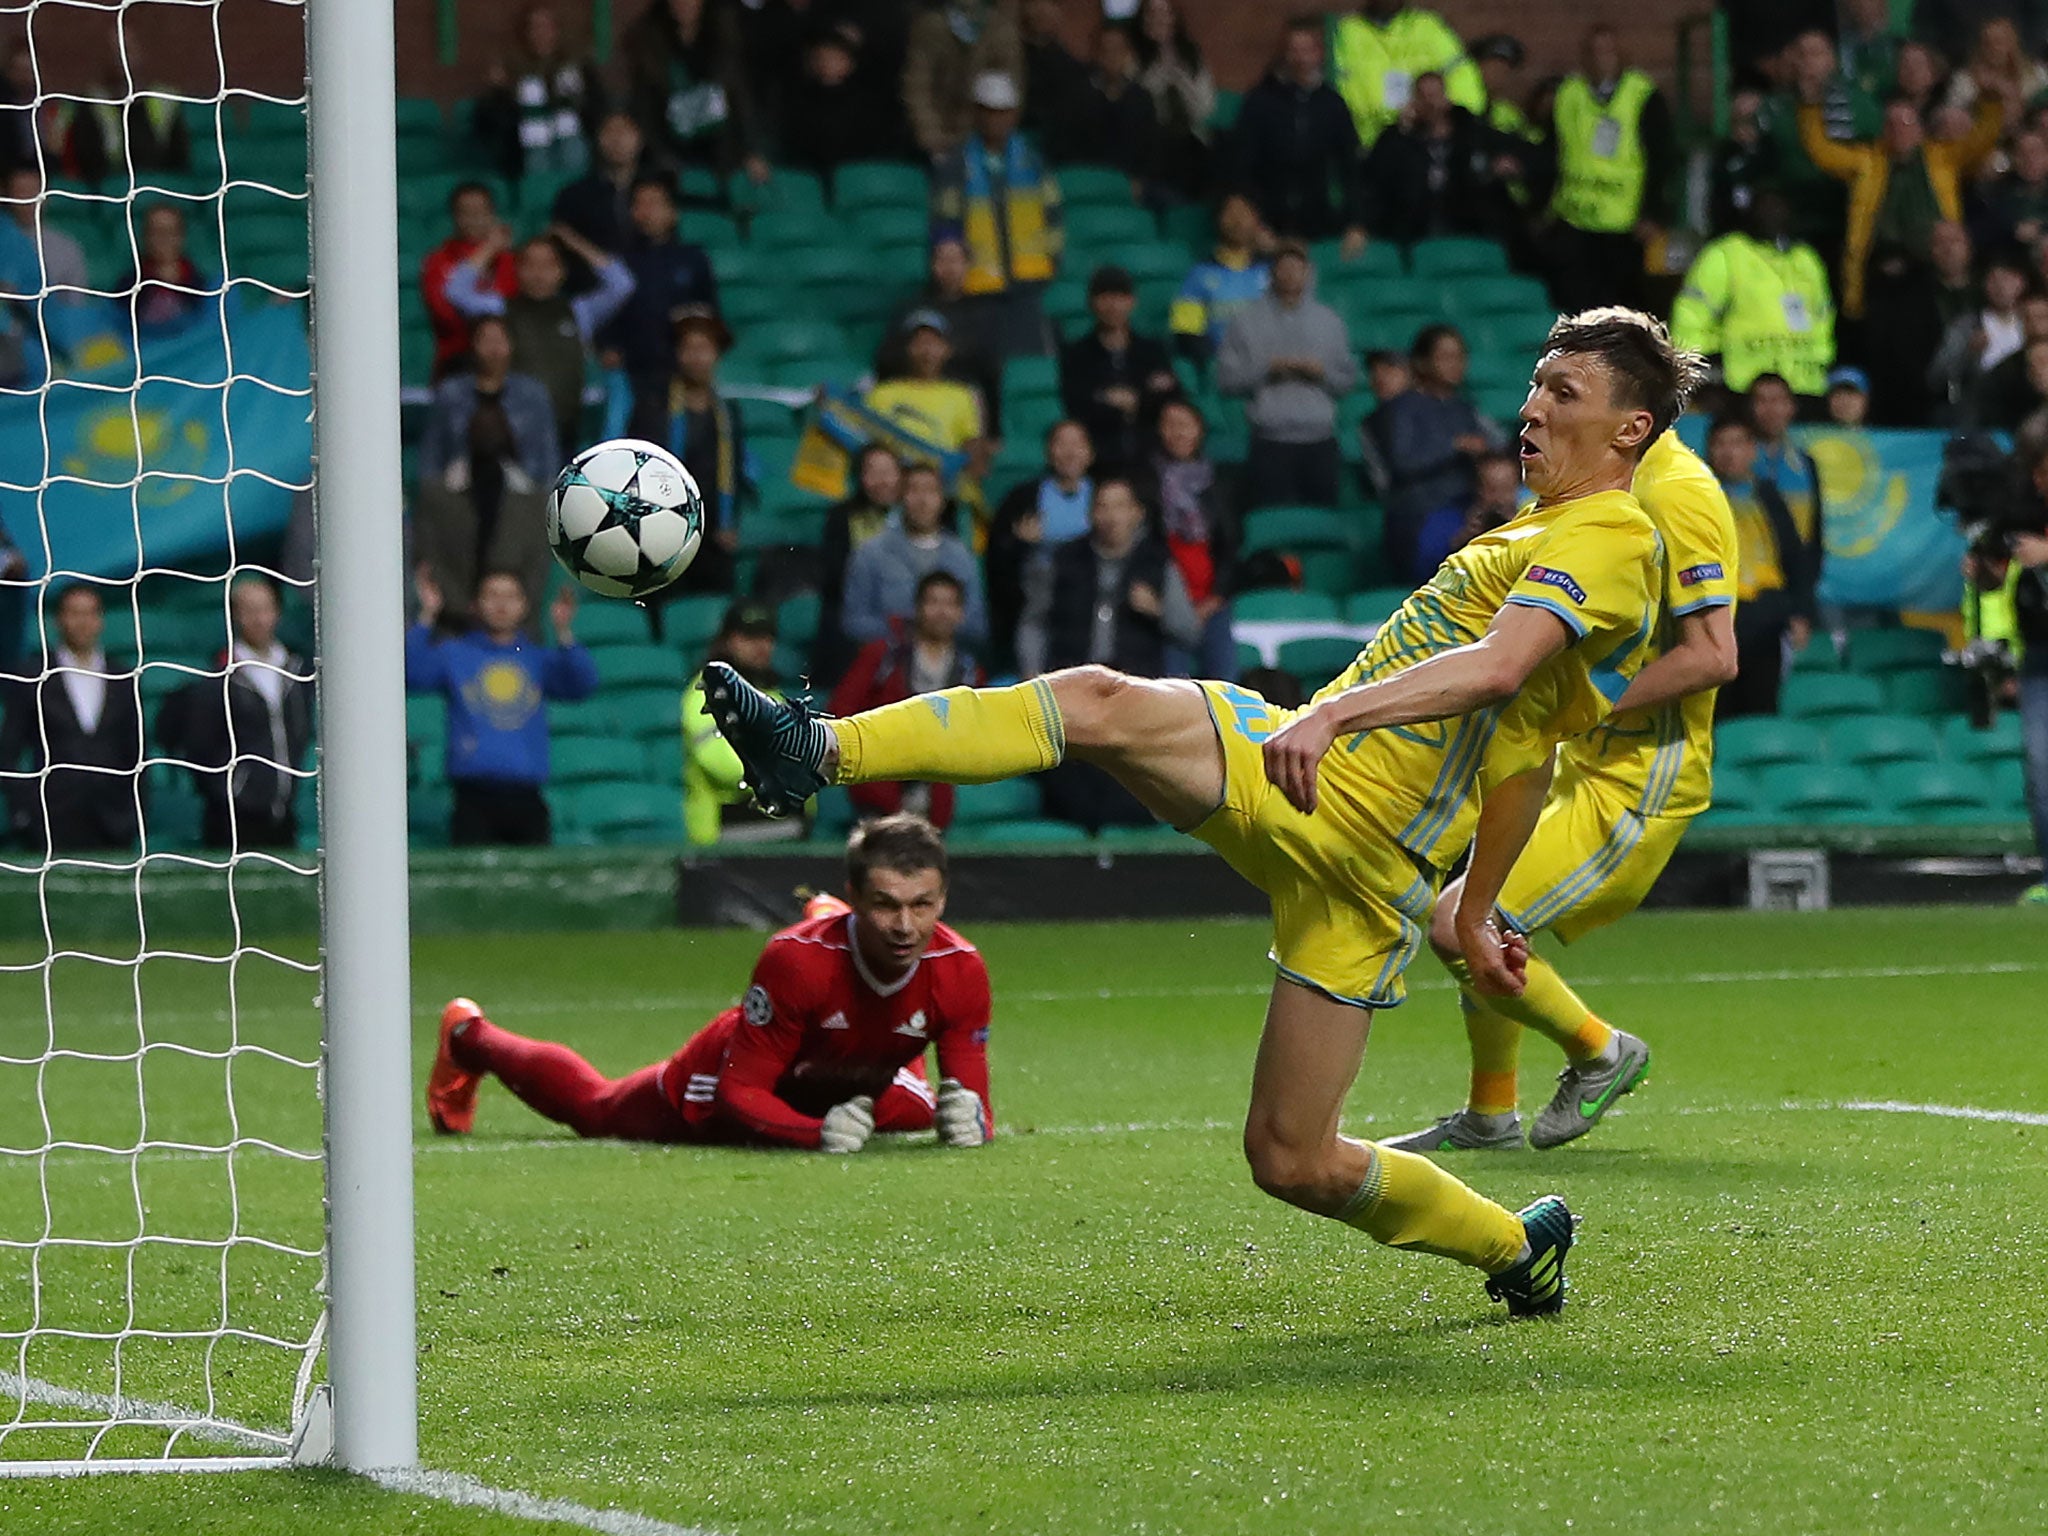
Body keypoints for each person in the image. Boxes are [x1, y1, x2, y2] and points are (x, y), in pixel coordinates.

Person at [702, 307, 1698, 1317]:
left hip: (1351, 827)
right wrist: (1476, 911)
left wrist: (1337, 714)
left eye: (1561, 393)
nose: (1528, 406)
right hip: (1323, 801)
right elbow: (1523, 754)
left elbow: (1498, 673)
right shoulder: (1536, 530)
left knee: (1289, 1155)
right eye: (1535, 382)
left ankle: (1513, 1246)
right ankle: (816, 748)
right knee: (1096, 702)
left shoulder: (1611, 532)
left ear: (1628, 430)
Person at [1386, 429, 1739, 1154]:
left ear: (1630, 415)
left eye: (1563, 389)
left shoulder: (1677, 491)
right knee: (1480, 918)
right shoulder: (1577, 484)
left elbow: (1712, 654)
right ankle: (1490, 1115)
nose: (1535, 411)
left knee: (1463, 921)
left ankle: (1602, 1052)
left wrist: (1581, 706)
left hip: (1639, 776)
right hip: (1569, 755)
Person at [425, 816, 995, 1150]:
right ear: (855, 893)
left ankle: (828, 923)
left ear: (943, 898)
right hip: (726, 1074)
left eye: (923, 906)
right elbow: (738, 1094)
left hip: (840, 1074)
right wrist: (815, 1133)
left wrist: (973, 1123)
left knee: (923, 1110)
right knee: (596, 1110)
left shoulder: (962, 967)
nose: (905, 927)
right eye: (885, 906)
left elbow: (977, 1105)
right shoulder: (794, 963)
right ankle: (469, 1037)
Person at [406, 569, 596, 845]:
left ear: (524, 606)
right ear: (475, 605)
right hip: (473, 799)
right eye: (492, 596)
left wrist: (564, 630)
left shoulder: (536, 658)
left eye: (510, 596)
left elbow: (582, 684)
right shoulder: (456, 653)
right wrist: (428, 615)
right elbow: (411, 671)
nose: (501, 605)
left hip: (527, 798)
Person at [1797, 87, 2001, 335]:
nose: (1898, 130)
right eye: (1891, 124)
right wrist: (1810, 108)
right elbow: (1822, 152)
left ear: (1920, 128)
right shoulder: (1868, 160)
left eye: (1905, 122)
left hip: (1932, 275)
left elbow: (1980, 143)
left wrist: (1990, 103)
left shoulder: (1941, 157)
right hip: (1880, 278)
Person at [443, 223, 636, 454]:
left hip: (566, 434)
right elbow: (456, 291)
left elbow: (622, 285)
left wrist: (574, 243)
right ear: (518, 269)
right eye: (530, 265)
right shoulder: (500, 309)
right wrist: (492, 247)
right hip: (513, 437)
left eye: (548, 265)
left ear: (561, 271)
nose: (538, 273)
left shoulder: (578, 312)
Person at [415, 315, 561, 619]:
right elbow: (431, 457)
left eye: (500, 340)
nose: (494, 349)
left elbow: (547, 459)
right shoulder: (451, 393)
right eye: (486, 340)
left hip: (520, 489)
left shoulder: (532, 395)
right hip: (460, 487)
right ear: (473, 346)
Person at [155, 577, 313, 851]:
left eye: (264, 609)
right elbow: (200, 747)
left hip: (285, 815)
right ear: (235, 615)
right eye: (249, 610)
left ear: (277, 612)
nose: (259, 619)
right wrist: (232, 789)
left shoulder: (296, 670)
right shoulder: (217, 677)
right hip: (230, 820)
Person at [830, 572, 982, 829]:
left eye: (950, 604)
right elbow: (841, 707)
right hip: (881, 782)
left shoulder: (969, 672)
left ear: (961, 613)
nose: (941, 611)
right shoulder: (883, 656)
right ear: (918, 608)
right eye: (933, 602)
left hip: (935, 792)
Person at [1542, 24, 1677, 313]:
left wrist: (1653, 213)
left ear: (1622, 55)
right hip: (1574, 218)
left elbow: (1663, 158)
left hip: (1625, 225)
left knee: (1620, 309)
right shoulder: (1568, 94)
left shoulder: (1643, 95)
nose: (1601, 58)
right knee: (1577, 308)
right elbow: (1551, 151)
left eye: (1608, 51)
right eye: (1593, 52)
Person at [0, 585, 143, 854]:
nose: (82, 622)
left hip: (113, 821)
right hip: (51, 821)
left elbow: (135, 750)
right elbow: (9, 751)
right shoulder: (33, 675)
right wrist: (24, 811)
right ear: (58, 620)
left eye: (89, 613)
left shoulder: (123, 676)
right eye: (74, 613)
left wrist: (134, 814)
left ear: (100, 619)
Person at [1962, 461, 2048, 904]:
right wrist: (1984, 573)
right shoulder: (2021, 521)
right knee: (2040, 766)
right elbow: (2001, 586)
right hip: (2038, 657)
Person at [929, 71, 1061, 359]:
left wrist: (1052, 260)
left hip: (1029, 285)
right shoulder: (956, 165)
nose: (997, 120)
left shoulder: (1033, 161)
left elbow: (1053, 216)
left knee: (1029, 362)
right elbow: (945, 224)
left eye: (1003, 112)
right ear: (977, 113)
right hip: (978, 288)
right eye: (989, 112)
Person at [1214, 240, 1356, 509]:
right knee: (1273, 523)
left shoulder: (1330, 322)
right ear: (1272, 272)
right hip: (1270, 443)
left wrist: (1320, 373)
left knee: (1322, 524)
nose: (1290, 273)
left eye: (1297, 267)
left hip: (1320, 441)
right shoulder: (1245, 321)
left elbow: (1347, 381)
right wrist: (1267, 370)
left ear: (1308, 272)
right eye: (1284, 267)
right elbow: (1225, 380)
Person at [627, 307, 749, 596]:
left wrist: (731, 522)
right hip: (663, 532)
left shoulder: (728, 414)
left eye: (704, 348)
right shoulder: (653, 407)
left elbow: (734, 470)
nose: (696, 357)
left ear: (717, 354)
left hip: (714, 533)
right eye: (688, 348)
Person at [1670, 188, 1836, 398]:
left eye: (1778, 206)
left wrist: (1822, 360)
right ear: (1750, 211)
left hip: (1803, 385)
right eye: (1765, 206)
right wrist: (1704, 367)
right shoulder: (1725, 254)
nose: (1772, 213)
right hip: (1742, 384)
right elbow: (1692, 314)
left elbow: (1823, 317)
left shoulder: (1806, 259)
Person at [1372, 324, 1505, 581]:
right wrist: (1453, 446)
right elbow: (1401, 462)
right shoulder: (1402, 409)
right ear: (1422, 362)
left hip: (1469, 505)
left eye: (1460, 357)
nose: (1455, 364)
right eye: (1446, 357)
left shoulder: (1464, 407)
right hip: (1421, 511)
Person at [1706, 412, 1812, 718]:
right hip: (1717, 617)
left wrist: (1800, 612)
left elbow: (1794, 556)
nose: (1729, 452)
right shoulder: (1700, 497)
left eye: (1738, 443)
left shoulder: (1769, 497)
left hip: (1766, 618)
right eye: (1721, 444)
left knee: (1762, 710)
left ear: (1752, 450)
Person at [1226, 19, 1366, 250]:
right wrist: (1254, 224)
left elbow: (1349, 168)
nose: (1300, 58)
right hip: (1268, 222)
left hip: (1317, 222)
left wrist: (1356, 224)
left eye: (1307, 50)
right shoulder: (1260, 101)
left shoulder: (1333, 105)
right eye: (1293, 50)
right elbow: (1241, 166)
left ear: (1319, 53)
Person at [602, 174, 720, 420]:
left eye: (654, 203)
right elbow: (607, 314)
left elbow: (709, 314)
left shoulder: (693, 259)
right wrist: (609, 346)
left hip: (681, 371)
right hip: (631, 372)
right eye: (639, 204)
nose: (647, 212)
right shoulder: (619, 262)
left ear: (672, 212)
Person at [1358, 71, 1516, 247]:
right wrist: (1401, 131)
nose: (1430, 103)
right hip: (1414, 233)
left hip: (1464, 227)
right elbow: (1375, 178)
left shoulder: (1470, 133)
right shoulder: (1397, 138)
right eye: (1423, 97)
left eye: (1434, 95)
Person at [841, 461, 987, 651]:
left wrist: (940, 627)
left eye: (931, 491)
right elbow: (853, 622)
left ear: (942, 499)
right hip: (889, 666)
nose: (922, 500)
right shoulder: (870, 554)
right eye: (914, 490)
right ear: (901, 497)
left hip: (948, 667)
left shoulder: (961, 557)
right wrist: (908, 631)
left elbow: (977, 624)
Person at [987, 418, 1095, 666]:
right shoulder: (1023, 498)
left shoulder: (1106, 495)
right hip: (1039, 599)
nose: (1069, 452)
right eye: (1061, 444)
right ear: (1048, 451)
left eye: (1077, 444)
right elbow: (999, 558)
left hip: (1090, 597)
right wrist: (1021, 543)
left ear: (1090, 453)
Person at [622, 0, 768, 184]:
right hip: (671, 148)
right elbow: (645, 108)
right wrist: (661, 156)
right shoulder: (648, 41)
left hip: (720, 147)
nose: (684, 4)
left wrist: (751, 150)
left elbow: (740, 97)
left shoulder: (723, 37)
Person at [1149, 398, 1239, 681]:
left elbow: (1231, 544)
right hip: (1166, 604)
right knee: (1171, 688)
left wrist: (1215, 598)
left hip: (1213, 602)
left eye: (1185, 425)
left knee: (1225, 686)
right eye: (1169, 425)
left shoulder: (1220, 482)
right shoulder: (1146, 482)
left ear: (1200, 430)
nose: (1177, 433)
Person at [681, 600, 785, 845]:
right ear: (728, 640)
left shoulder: (773, 694)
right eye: (749, 636)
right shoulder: (706, 690)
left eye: (767, 636)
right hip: (724, 836)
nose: (762, 645)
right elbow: (721, 763)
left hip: (782, 832)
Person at [1059, 264, 1179, 474]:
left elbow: (1171, 396)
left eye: (1120, 297)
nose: (1113, 305)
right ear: (1091, 302)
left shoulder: (1153, 351)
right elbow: (1077, 404)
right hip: (1098, 461)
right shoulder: (1076, 354)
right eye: (1105, 297)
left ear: (1132, 301)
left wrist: (1130, 399)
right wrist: (1139, 394)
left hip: (1150, 458)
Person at [877, 238, 1004, 435]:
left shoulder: (982, 312)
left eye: (955, 260)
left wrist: (994, 432)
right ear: (932, 265)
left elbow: (989, 371)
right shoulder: (912, 309)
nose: (949, 268)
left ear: (967, 265)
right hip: (913, 391)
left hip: (962, 396)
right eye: (942, 260)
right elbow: (887, 358)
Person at [472, 2, 606, 180]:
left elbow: (597, 107)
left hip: (574, 143)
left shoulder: (579, 66)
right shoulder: (511, 71)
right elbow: (492, 122)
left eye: (547, 27)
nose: (541, 34)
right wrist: (500, 91)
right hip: (528, 151)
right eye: (534, 28)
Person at [1326, 0, 1484, 152]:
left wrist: (1437, 114)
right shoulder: (1345, 32)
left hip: (1427, 148)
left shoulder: (1429, 27)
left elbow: (1466, 88)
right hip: (1367, 150)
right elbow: (1334, 92)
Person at [817, 444, 904, 682]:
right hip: (857, 614)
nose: (882, 481)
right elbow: (836, 576)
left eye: (888, 472)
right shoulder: (841, 517)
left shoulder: (914, 517)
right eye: (873, 473)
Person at [865, 310, 988, 473]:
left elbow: (972, 449)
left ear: (947, 350)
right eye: (919, 342)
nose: (927, 351)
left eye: (934, 343)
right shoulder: (880, 394)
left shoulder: (962, 396)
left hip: (940, 482)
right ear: (906, 348)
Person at [902, 0, 1023, 160]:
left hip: (984, 140)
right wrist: (932, 137)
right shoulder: (931, 27)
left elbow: (1010, 90)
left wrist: (996, 135)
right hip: (938, 139)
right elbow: (918, 87)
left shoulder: (1001, 29)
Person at [421, 183, 519, 380]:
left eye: (481, 211)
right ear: (454, 216)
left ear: (492, 214)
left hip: (505, 366)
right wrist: (488, 250)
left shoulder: (510, 261)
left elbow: (511, 308)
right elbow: (445, 313)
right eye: (466, 212)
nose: (474, 219)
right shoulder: (438, 261)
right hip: (455, 364)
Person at [1929, 247, 2031, 427]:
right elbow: (1937, 378)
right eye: (1993, 280)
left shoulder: (2034, 321)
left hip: (2026, 405)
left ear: (2021, 282)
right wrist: (1969, 352)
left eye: (2007, 279)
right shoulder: (1965, 326)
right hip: (1978, 411)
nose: (2000, 287)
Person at [1169, 192, 1271, 366]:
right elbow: (1186, 330)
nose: (1238, 221)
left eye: (1245, 213)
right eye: (1230, 213)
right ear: (1218, 220)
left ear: (1257, 220)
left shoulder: (1272, 272)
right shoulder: (1197, 275)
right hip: (1224, 370)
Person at [551, 111, 646, 287]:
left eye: (624, 132)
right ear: (598, 139)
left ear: (639, 138)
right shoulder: (573, 194)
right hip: (593, 288)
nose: (617, 140)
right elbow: (561, 237)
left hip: (649, 283)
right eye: (609, 132)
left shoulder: (657, 190)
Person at [1133, 0, 1215, 199]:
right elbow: (1137, 105)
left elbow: (1206, 106)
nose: (1159, 20)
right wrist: (1160, 73)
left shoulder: (1191, 55)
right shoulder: (1135, 58)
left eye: (1165, 14)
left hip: (1191, 137)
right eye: (1152, 14)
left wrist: (1180, 79)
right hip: (1152, 142)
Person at [1410, 449, 1520, 584]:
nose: (1500, 499)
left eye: (1507, 490)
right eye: (1492, 490)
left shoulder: (1531, 518)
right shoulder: (1445, 521)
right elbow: (1422, 572)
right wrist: (1460, 543)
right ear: (1477, 487)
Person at [1748, 372, 1824, 565]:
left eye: (1777, 400)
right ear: (1750, 408)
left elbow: (1816, 530)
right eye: (1761, 401)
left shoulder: (1806, 464)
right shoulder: (1734, 462)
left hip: (1796, 578)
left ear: (1791, 407)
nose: (1770, 410)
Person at [1077, 22, 1159, 188]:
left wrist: (1139, 180)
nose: (1112, 57)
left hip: (1133, 183)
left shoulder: (1141, 99)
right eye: (1105, 50)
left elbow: (1150, 150)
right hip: (1089, 179)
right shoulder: (1080, 97)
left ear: (1129, 54)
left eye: (1118, 50)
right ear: (1096, 54)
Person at [125, 203, 216, 339]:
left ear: (182, 236)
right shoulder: (128, 286)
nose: (164, 239)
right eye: (156, 232)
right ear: (145, 236)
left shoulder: (204, 287)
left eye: (170, 231)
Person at [1709, 90, 1776, 237]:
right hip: (1732, 234)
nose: (1743, 130)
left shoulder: (1772, 154)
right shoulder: (1725, 155)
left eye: (1750, 122)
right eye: (1737, 122)